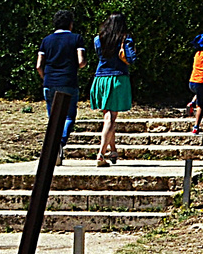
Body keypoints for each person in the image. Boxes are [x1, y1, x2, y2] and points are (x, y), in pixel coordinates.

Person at [36, 10, 85, 165]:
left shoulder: (46, 40)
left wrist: (46, 78)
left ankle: (53, 146)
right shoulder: (76, 38)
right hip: (68, 81)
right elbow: (81, 61)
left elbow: (38, 65)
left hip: (49, 82)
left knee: (53, 119)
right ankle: (60, 142)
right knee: (69, 117)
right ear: (70, 24)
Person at [89, 13, 136, 167]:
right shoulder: (125, 38)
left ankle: (113, 150)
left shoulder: (98, 39)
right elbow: (132, 59)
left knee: (107, 115)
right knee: (111, 117)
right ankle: (101, 154)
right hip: (117, 78)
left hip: (100, 78)